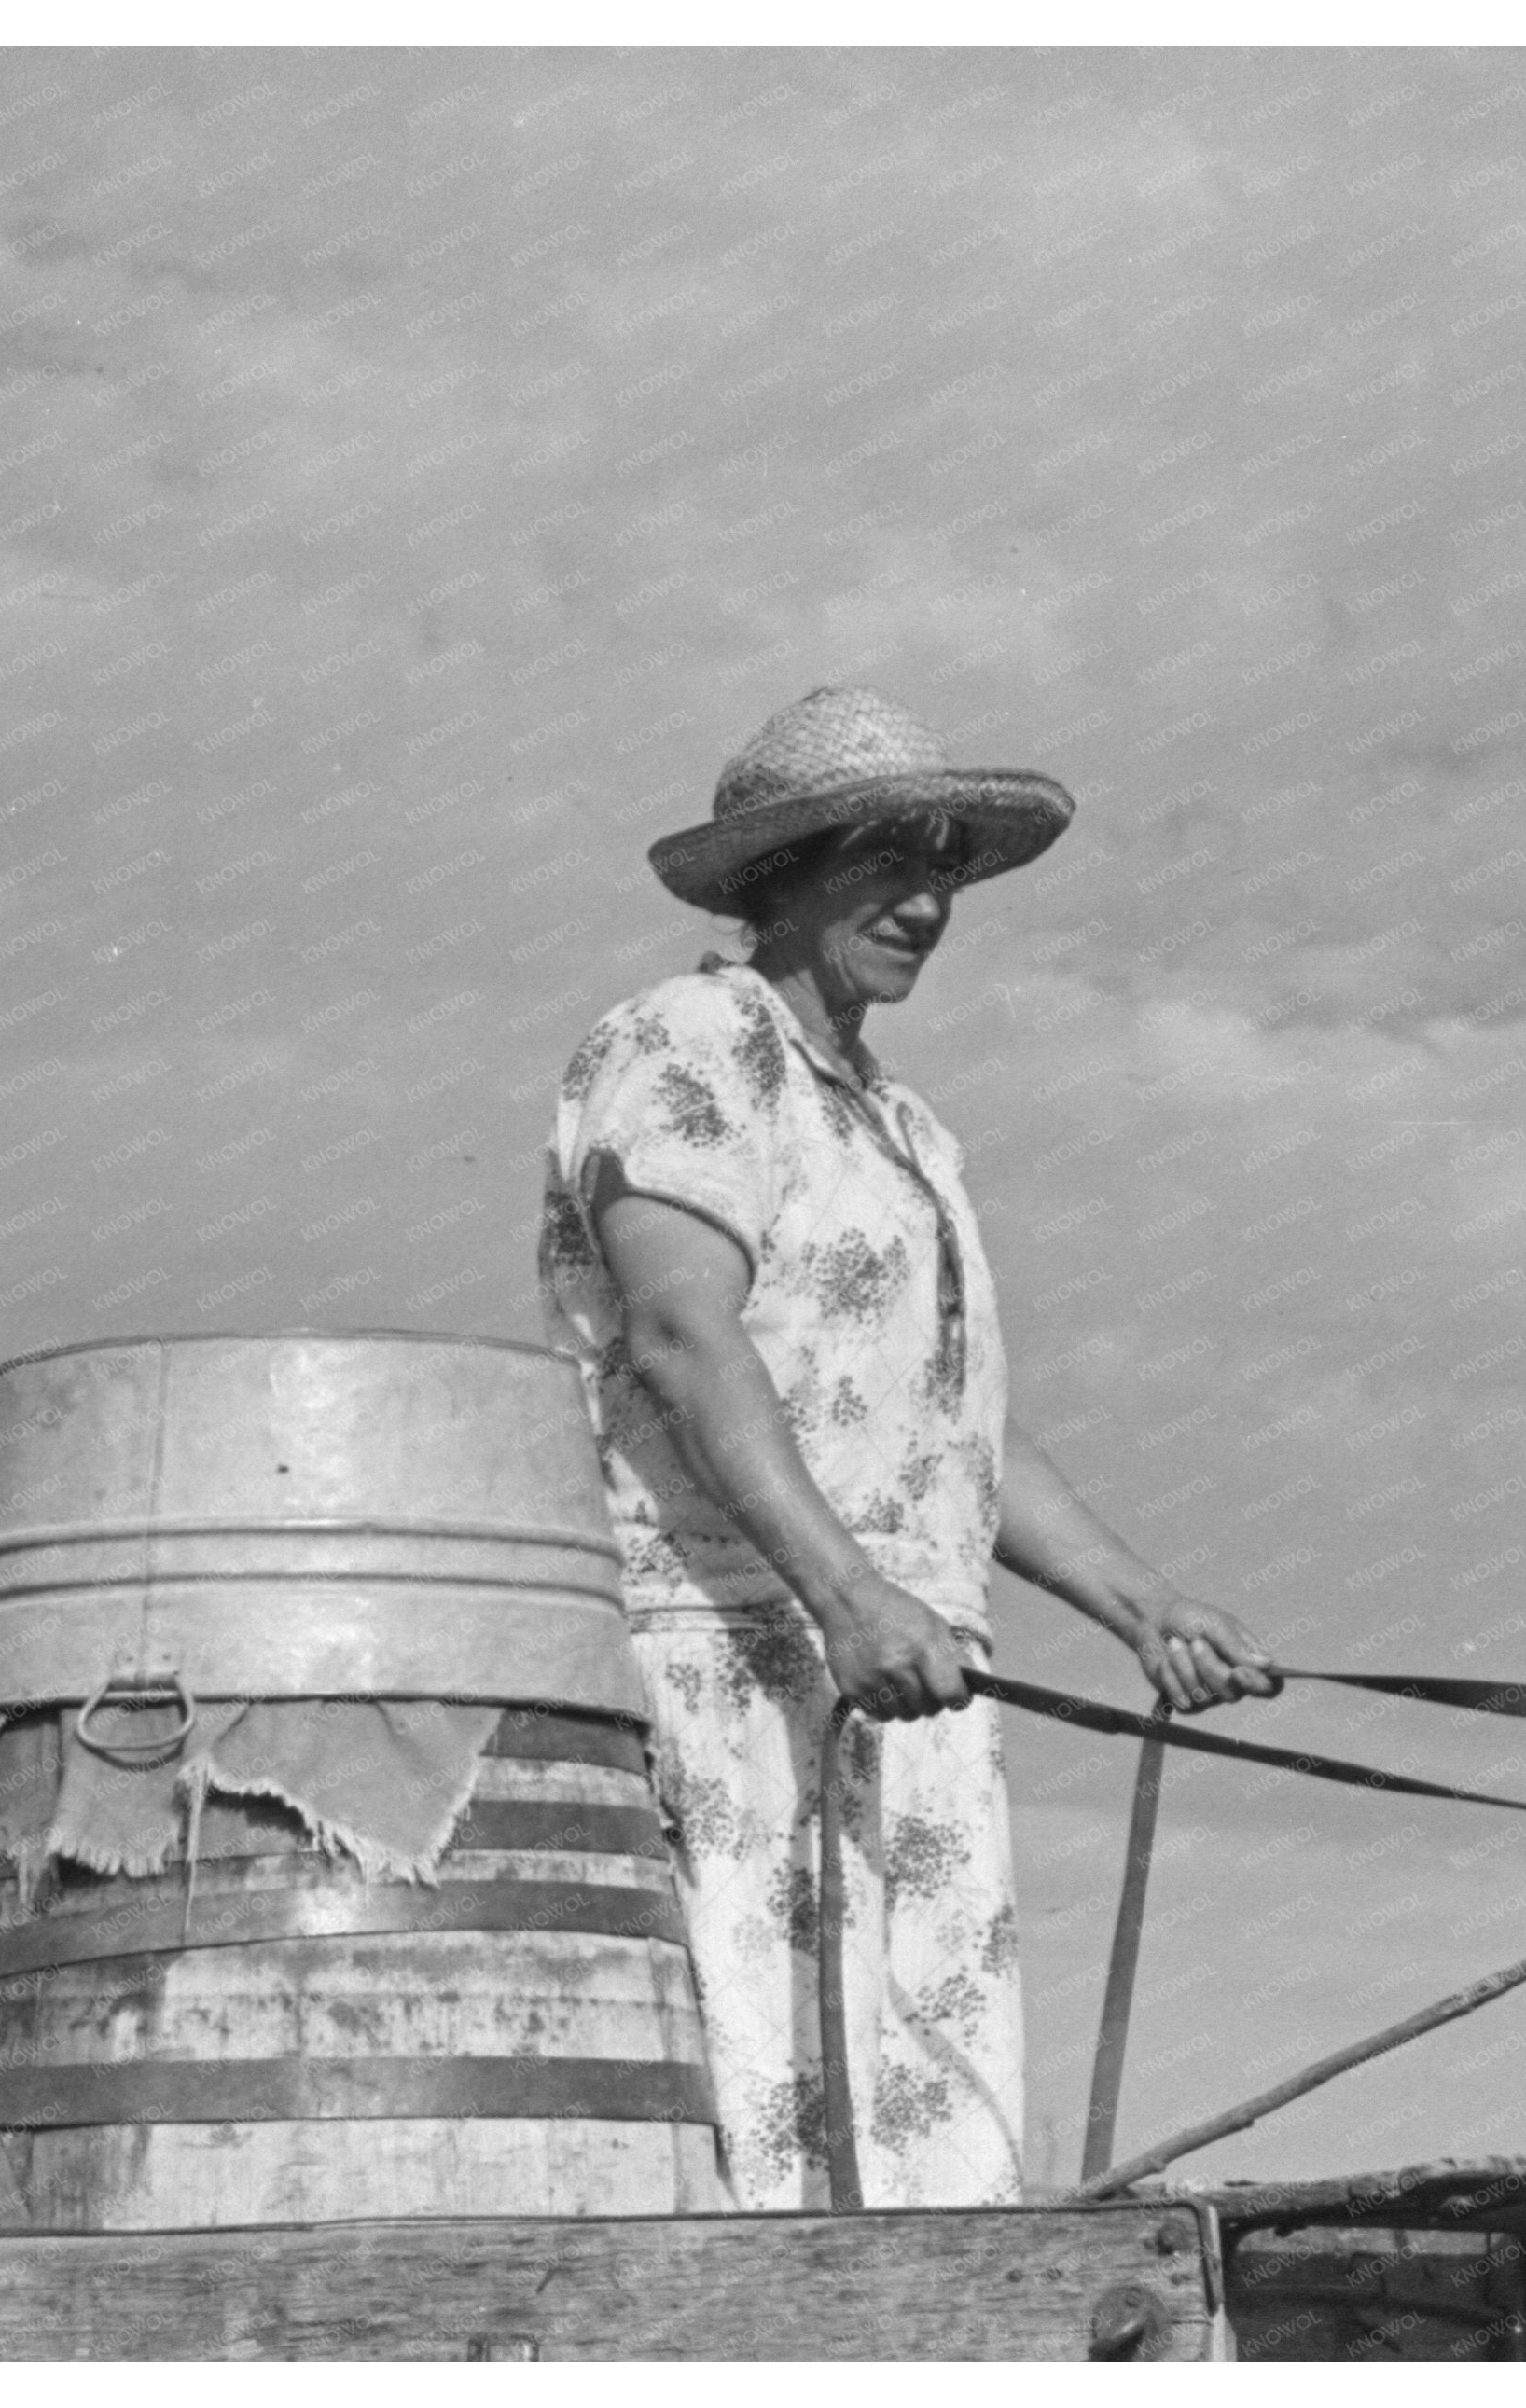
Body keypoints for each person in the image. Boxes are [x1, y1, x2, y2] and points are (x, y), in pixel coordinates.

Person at [536, 685, 1282, 2211]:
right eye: (890, 861)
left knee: (929, 2143)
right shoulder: (689, 1045)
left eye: (948, 865)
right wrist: (847, 1594)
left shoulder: (906, 1130)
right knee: (765, 2134)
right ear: (784, 873)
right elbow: (683, 1334)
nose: (932, 902)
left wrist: (1147, 1608)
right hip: (744, 1677)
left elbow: (956, 1431)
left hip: (906, 1687)